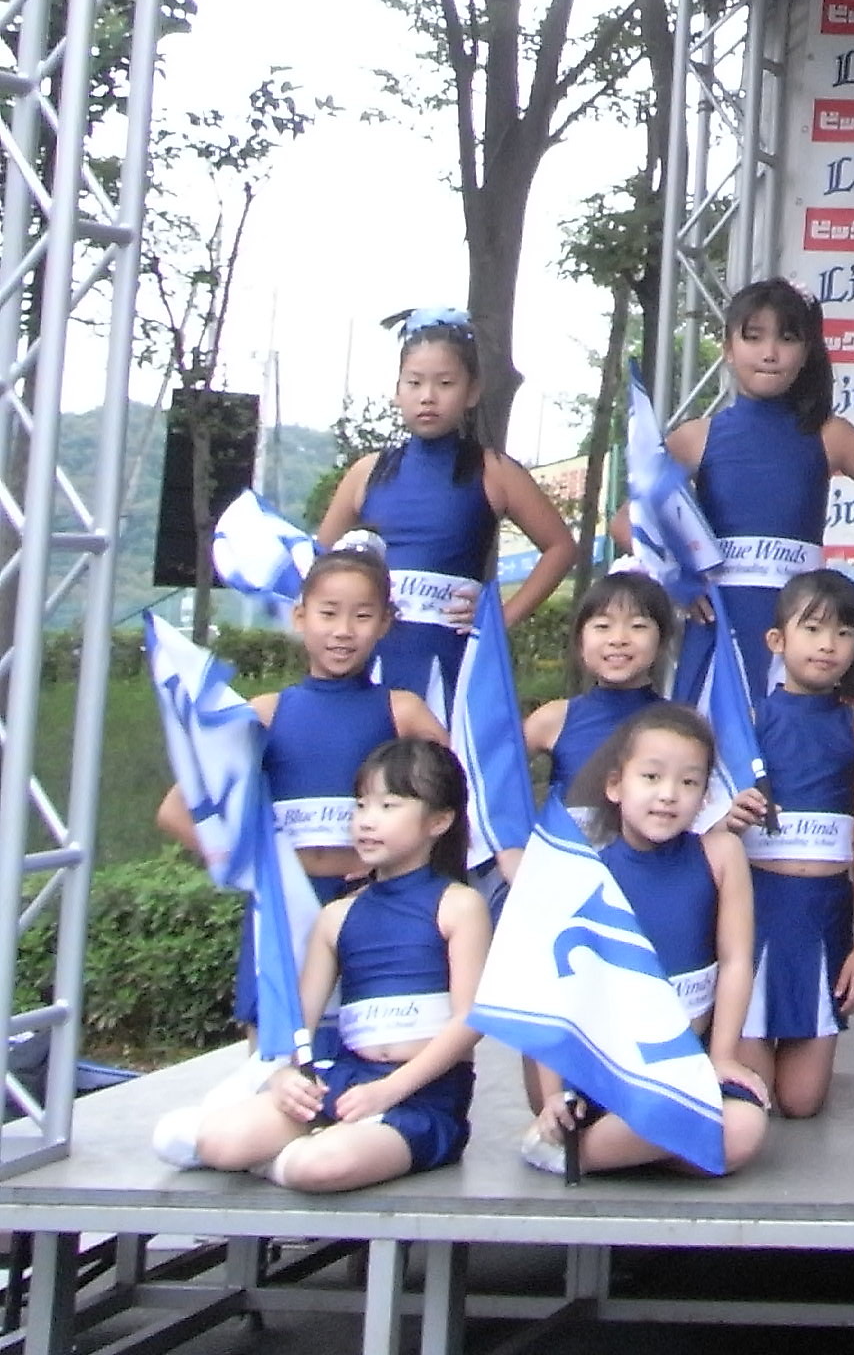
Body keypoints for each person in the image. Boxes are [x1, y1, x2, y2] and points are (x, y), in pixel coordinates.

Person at [158, 738, 487, 1189]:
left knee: (319, 1167)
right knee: (220, 1142)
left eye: (388, 806)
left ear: (440, 821)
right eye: (361, 805)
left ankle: (298, 1154)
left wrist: (387, 1091)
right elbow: (300, 1024)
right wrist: (283, 1075)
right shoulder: (336, 915)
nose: (366, 820)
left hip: (421, 1098)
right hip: (344, 1082)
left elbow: (469, 1020)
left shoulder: (460, 905)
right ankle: (295, 1145)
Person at [159, 550, 443, 1029]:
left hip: (377, 906)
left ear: (386, 622)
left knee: (370, 1044)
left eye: (362, 616)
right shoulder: (265, 713)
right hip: (282, 911)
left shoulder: (403, 711)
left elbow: (454, 803)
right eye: (328, 613)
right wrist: (253, 866)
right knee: (277, 1050)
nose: (343, 631)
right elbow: (175, 809)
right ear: (300, 616)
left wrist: (399, 863)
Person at [526, 703, 769, 1175]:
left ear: (705, 796)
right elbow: (554, 992)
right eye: (651, 777)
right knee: (680, 1120)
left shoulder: (721, 854)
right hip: (608, 1069)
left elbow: (737, 960)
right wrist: (553, 1093)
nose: (668, 795)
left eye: (689, 782)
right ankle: (590, 1143)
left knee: (743, 1130)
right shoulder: (585, 870)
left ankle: (598, 1153)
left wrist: (722, 1057)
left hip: (686, 1063)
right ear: (616, 785)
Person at [318, 309, 572, 709]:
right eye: (414, 382)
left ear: (472, 392)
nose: (428, 396)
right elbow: (320, 561)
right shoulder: (366, 472)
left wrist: (499, 618)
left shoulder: (494, 471)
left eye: (445, 383)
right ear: (397, 390)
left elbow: (561, 548)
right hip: (370, 660)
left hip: (454, 659)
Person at [664, 280, 854, 689]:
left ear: (806, 351)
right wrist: (680, 577)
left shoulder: (830, 435)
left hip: (800, 631)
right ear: (728, 348)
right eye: (753, 337)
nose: (770, 352)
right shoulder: (695, 437)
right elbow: (630, 520)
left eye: (787, 338)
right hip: (719, 625)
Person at [736, 568, 854, 1119]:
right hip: (754, 914)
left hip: (823, 919)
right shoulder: (746, 720)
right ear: (777, 639)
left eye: (844, 633)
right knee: (751, 1097)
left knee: (800, 1103)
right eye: (813, 629)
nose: (828, 645)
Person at [524, 572, 676, 818]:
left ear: (662, 640)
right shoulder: (554, 718)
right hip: (568, 841)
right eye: (602, 626)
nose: (618, 639)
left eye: (638, 626)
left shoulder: (681, 723)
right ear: (580, 641)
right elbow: (493, 780)